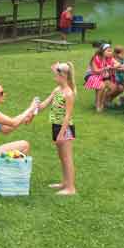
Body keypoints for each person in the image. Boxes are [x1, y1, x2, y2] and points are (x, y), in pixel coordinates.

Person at [36, 61, 77, 195]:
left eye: (56, 75)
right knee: (62, 157)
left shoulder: (68, 94)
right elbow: (43, 106)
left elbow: (67, 116)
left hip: (65, 128)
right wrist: (34, 107)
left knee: (67, 157)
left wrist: (61, 134)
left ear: (63, 76)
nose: (54, 76)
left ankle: (71, 188)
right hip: (56, 126)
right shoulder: (57, 90)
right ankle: (65, 183)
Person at [84, 43, 123, 112]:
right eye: (108, 51)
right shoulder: (96, 58)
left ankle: (105, 101)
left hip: (103, 76)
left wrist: (112, 66)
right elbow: (95, 71)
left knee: (117, 88)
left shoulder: (110, 58)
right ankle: (98, 105)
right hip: (92, 75)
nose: (110, 53)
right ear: (102, 51)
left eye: (111, 51)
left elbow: (118, 64)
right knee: (101, 86)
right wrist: (105, 68)